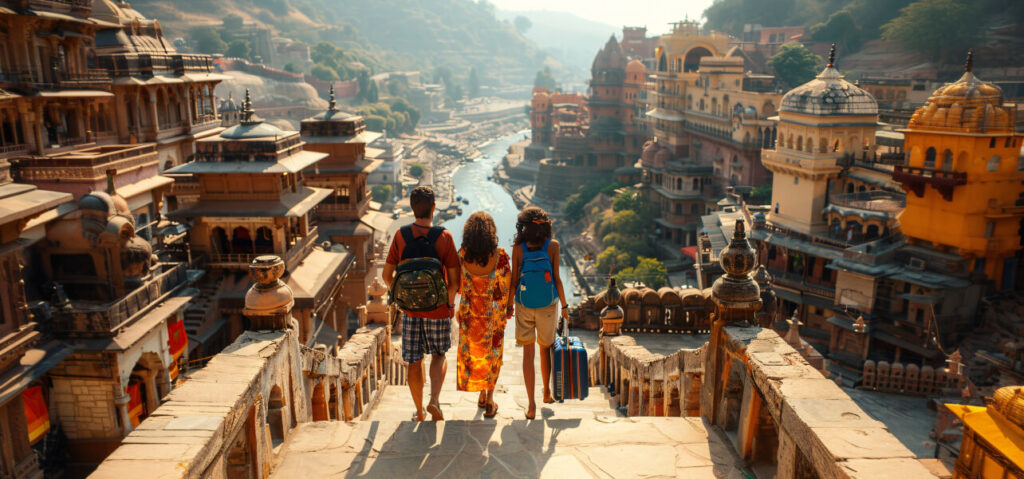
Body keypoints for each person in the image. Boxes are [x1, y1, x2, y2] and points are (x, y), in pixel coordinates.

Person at [382, 186, 460, 421]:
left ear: (412, 208)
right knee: (438, 354)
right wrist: (449, 306)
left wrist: (403, 298)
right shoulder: (444, 236)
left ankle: (418, 412)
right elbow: (454, 282)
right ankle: (434, 401)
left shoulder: (400, 235)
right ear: (434, 207)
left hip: (410, 311)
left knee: (414, 361)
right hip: (438, 309)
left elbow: (387, 277)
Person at [506, 206, 568, 419]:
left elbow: (514, 281)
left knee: (528, 352)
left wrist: (508, 305)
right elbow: (557, 278)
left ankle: (531, 405)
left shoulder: (518, 248)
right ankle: (547, 391)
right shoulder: (553, 246)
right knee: (545, 347)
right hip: (548, 306)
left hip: (524, 305)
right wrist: (566, 307)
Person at [455, 212, 513, 418]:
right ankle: (488, 400)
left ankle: (480, 393)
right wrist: (509, 308)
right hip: (493, 315)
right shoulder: (501, 256)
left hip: (470, 314)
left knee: (476, 355)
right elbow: (506, 287)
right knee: (493, 356)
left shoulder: (462, 255)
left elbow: (458, 285)